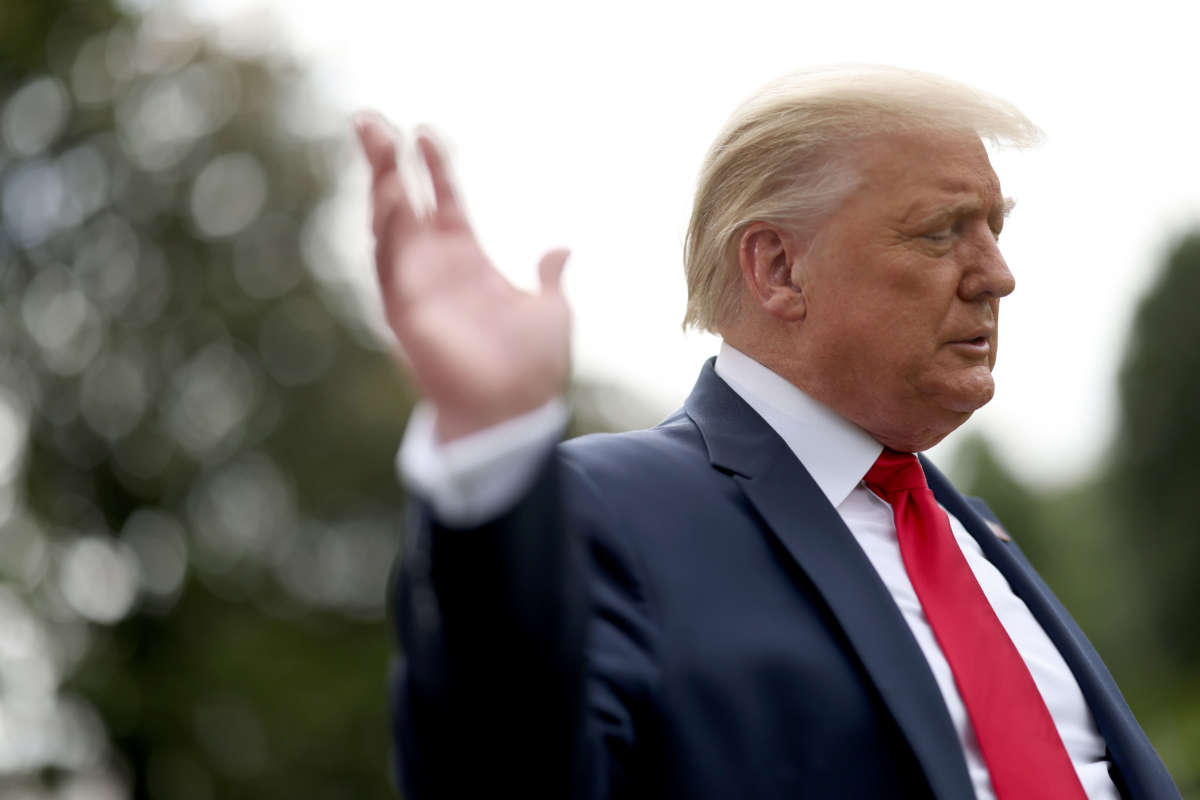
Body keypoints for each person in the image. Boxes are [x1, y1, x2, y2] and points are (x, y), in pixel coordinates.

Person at [356, 66, 1181, 799]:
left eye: (997, 227)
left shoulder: (976, 534)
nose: (999, 274)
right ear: (779, 269)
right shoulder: (602, 512)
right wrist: (493, 449)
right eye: (941, 231)